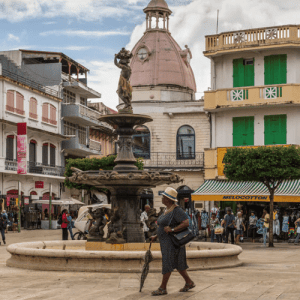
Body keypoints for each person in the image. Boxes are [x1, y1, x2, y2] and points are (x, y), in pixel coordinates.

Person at [150, 187, 195, 296]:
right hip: (166, 241)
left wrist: (173, 229)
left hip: (172, 242)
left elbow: (186, 222)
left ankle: (162, 288)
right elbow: (163, 225)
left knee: (167, 263)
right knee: (179, 264)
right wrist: (157, 235)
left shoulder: (176, 210)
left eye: (163, 197)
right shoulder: (167, 210)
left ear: (168, 199)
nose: (162, 198)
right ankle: (189, 282)